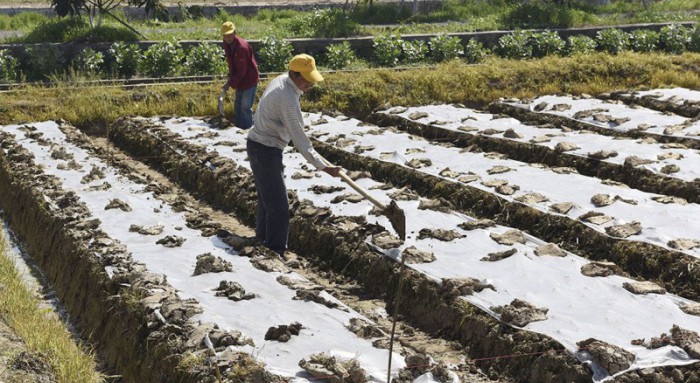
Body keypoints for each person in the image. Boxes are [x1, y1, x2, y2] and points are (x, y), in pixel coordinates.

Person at [247, 54, 341, 256]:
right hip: (265, 150)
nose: (310, 84)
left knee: (267, 200)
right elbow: (299, 140)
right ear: (294, 74)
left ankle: (262, 239)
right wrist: (324, 167)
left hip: (259, 145)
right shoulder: (287, 98)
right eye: (307, 79)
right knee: (280, 207)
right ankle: (275, 250)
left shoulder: (281, 80)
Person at [220, 21, 259, 129]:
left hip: (249, 79)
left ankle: (247, 129)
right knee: (237, 106)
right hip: (240, 79)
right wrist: (230, 75)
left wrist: (230, 83)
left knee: (245, 107)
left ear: (235, 33)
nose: (227, 38)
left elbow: (243, 70)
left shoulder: (242, 47)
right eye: (225, 35)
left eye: (229, 35)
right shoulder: (227, 44)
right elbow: (232, 62)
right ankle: (238, 129)